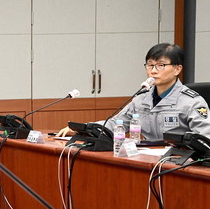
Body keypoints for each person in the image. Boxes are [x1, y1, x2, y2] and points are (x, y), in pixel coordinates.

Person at [56, 43, 210, 140]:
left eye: (161, 65)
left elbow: (204, 138)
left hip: (179, 164)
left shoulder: (192, 102)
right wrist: (83, 128)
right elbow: (116, 124)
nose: (153, 71)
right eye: (150, 65)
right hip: (148, 161)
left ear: (177, 69)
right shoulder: (142, 99)